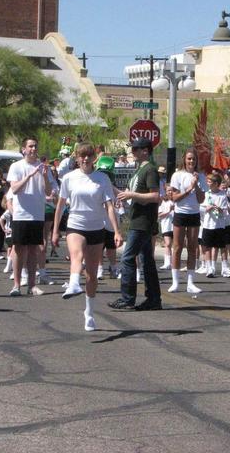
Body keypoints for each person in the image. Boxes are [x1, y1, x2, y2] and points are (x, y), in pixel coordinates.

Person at [53, 143, 122, 331]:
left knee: (92, 275)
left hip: (96, 228)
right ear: (76, 158)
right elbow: (60, 205)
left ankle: (89, 313)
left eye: (89, 156)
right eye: (82, 156)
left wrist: (116, 230)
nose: (85, 159)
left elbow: (109, 206)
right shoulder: (69, 178)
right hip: (75, 225)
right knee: (77, 256)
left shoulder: (102, 179)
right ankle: (74, 284)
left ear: (94, 159)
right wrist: (55, 230)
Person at [108, 137, 162, 310]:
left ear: (145, 150)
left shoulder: (150, 170)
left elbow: (155, 196)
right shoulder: (139, 170)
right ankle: (154, 299)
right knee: (146, 260)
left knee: (128, 258)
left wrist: (132, 195)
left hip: (143, 222)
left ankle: (127, 298)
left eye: (135, 149)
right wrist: (117, 192)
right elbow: (132, 194)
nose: (133, 153)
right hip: (137, 219)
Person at [6, 137, 53, 297]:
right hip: (20, 215)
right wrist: (29, 176)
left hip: (37, 215)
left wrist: (45, 176)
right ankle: (17, 285)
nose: (33, 149)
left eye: (35, 146)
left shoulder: (43, 167)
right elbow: (15, 189)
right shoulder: (16, 166)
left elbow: (48, 192)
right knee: (19, 250)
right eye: (30, 146)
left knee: (34, 250)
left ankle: (32, 285)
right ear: (24, 149)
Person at [168, 148, 206, 294]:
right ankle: (175, 282)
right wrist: (189, 189)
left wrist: (196, 184)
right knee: (177, 248)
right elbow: (174, 198)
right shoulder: (177, 175)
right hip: (180, 214)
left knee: (192, 247)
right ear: (184, 159)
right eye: (189, 159)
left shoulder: (200, 176)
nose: (191, 161)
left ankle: (190, 282)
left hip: (194, 214)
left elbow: (201, 199)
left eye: (194, 159)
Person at [200, 172, 230, 281]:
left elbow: (225, 210)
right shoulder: (206, 194)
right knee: (207, 247)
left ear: (216, 183)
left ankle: (225, 268)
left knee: (222, 247)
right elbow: (201, 208)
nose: (208, 183)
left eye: (210, 181)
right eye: (207, 181)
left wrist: (219, 209)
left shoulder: (222, 194)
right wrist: (206, 209)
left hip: (219, 225)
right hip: (208, 224)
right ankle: (209, 268)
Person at [158, 186, 174, 270]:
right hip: (166, 226)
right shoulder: (164, 202)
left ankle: (173, 263)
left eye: (171, 190)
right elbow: (159, 215)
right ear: (166, 192)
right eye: (168, 190)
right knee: (168, 244)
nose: (170, 192)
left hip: (176, 226)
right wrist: (169, 211)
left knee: (177, 246)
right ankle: (167, 263)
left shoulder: (177, 201)